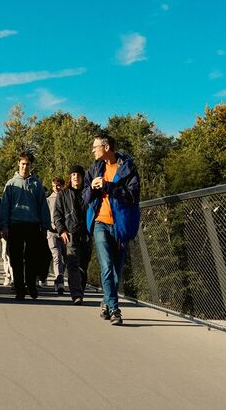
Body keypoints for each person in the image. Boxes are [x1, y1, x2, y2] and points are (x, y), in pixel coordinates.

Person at [86, 134, 141, 326]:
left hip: (120, 225)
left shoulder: (127, 168)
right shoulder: (94, 169)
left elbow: (132, 195)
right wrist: (92, 188)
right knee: (107, 265)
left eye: (95, 147)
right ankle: (115, 309)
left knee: (117, 271)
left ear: (106, 147)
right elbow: (84, 198)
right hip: (100, 223)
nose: (92, 150)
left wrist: (108, 186)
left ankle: (106, 302)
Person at [0, 152, 50, 300]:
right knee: (16, 259)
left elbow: (43, 206)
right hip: (15, 225)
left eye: (27, 164)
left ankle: (31, 286)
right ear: (18, 164)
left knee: (32, 258)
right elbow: (5, 206)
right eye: (22, 164)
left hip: (33, 225)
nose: (25, 167)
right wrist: (4, 226)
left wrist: (45, 226)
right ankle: (19, 288)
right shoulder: (11, 184)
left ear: (31, 166)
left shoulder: (36, 184)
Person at [53, 165, 91, 305]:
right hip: (70, 234)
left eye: (78, 175)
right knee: (72, 264)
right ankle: (76, 294)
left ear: (83, 177)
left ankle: (80, 290)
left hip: (86, 234)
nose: (76, 177)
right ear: (70, 177)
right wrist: (62, 230)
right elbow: (57, 214)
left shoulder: (88, 193)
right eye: (73, 175)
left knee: (83, 266)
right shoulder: (63, 194)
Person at [46, 177, 66, 295]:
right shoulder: (48, 200)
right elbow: (45, 215)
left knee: (66, 257)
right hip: (52, 232)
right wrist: (49, 226)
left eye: (58, 185)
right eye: (54, 186)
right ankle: (60, 282)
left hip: (64, 232)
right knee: (57, 256)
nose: (56, 188)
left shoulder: (66, 198)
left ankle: (59, 278)